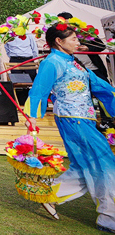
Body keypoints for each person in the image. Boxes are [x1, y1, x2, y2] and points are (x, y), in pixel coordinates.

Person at [24, 22, 115, 230]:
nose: (78, 42)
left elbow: (99, 86)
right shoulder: (52, 62)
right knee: (104, 162)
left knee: (87, 164)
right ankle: (109, 218)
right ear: (59, 41)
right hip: (72, 119)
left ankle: (49, 193)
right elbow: (39, 90)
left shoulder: (74, 62)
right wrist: (32, 119)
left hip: (86, 119)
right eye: (73, 39)